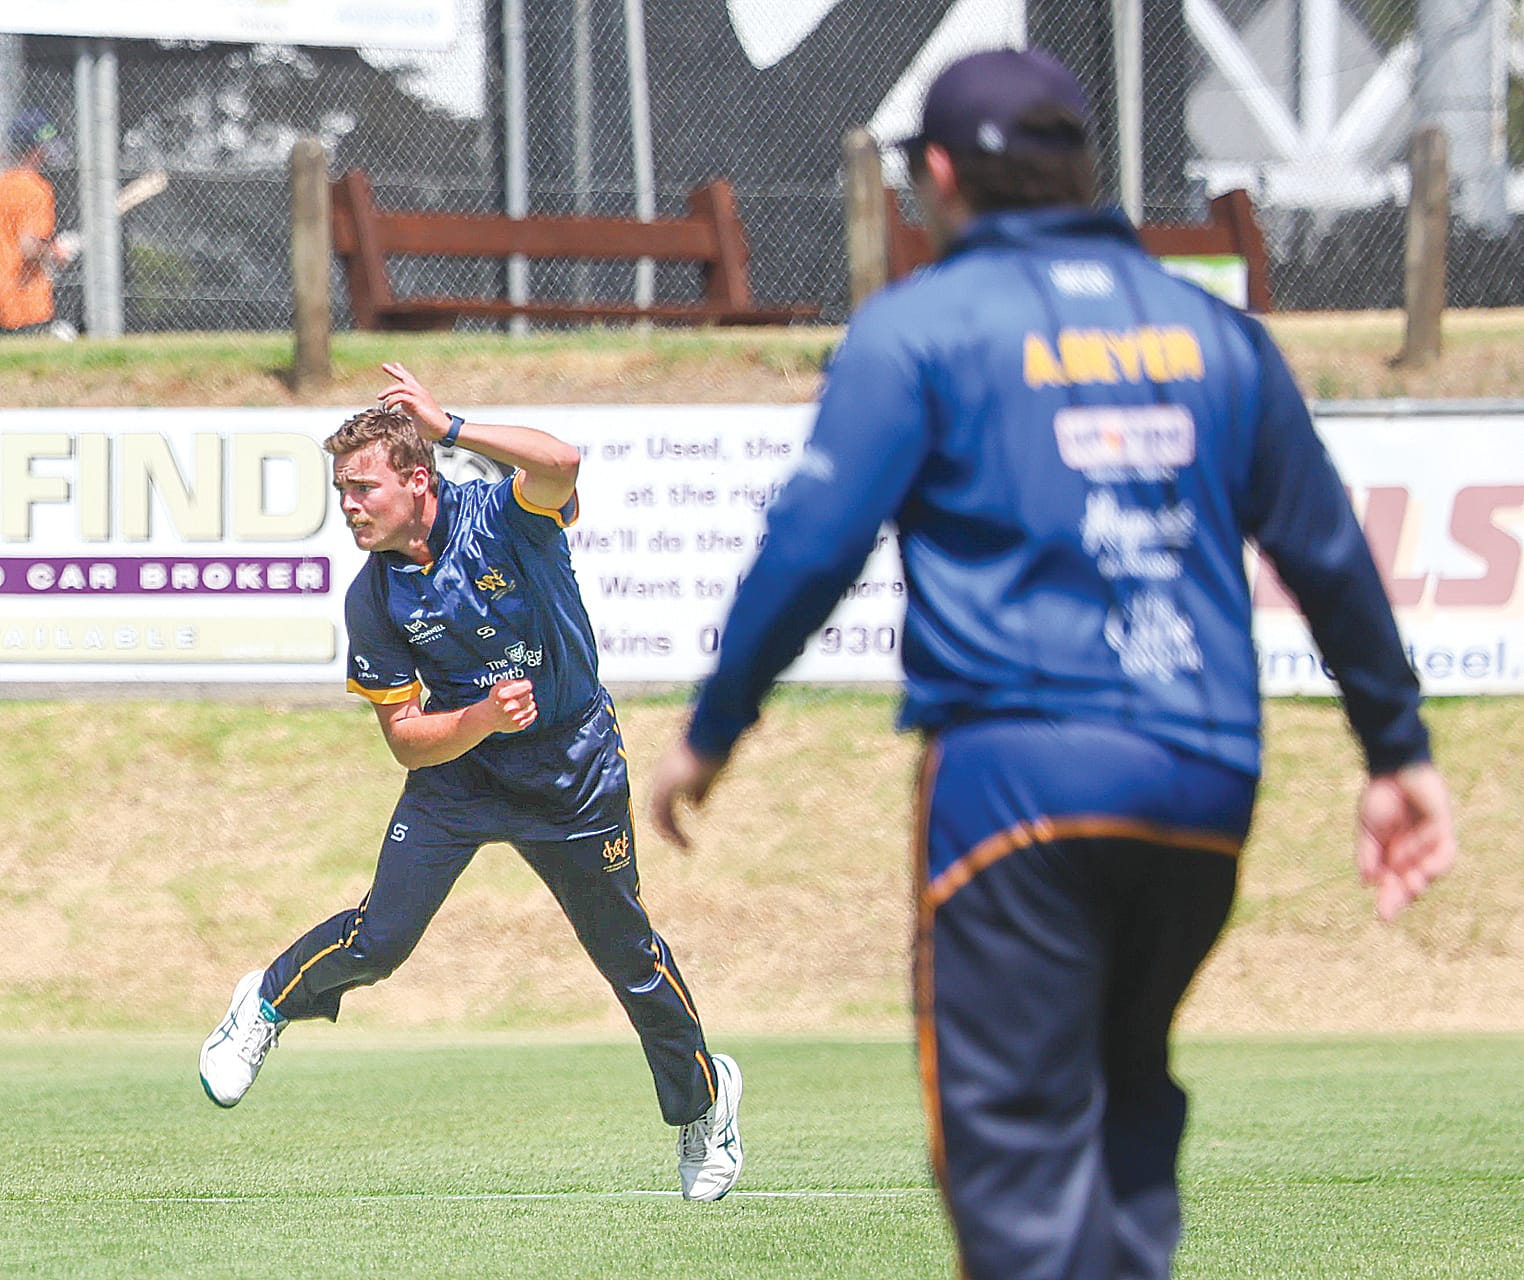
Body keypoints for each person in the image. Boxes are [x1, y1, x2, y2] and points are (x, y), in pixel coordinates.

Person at [649, 47, 1454, 1278]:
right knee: (1122, 1113)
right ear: (1082, 167)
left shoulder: (920, 327)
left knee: (1014, 1161)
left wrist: (713, 731)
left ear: (935, 175)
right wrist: (1396, 750)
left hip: (1020, 783)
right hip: (1203, 779)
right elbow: (1330, 551)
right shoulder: (1214, 334)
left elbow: (811, 546)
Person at [199, 362, 743, 1203]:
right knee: (378, 943)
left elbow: (562, 461)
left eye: (362, 488)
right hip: (462, 775)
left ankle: (705, 1105)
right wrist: (481, 720)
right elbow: (406, 744)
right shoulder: (373, 599)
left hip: (573, 770)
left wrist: (449, 425)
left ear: (418, 480)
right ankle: (266, 1003)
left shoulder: (503, 516)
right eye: (341, 491)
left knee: (627, 958)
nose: (349, 506)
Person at [0, 109, 76, 335]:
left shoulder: (3, 185)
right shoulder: (36, 189)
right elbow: (29, 246)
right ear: (36, 150)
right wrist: (56, 252)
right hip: (23, 306)